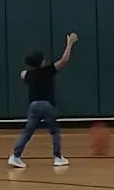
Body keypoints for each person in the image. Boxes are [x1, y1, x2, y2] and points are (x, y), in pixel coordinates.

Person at [8, 32, 78, 169]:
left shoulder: (28, 74)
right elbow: (64, 60)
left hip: (33, 106)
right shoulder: (48, 70)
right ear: (41, 61)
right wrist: (69, 44)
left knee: (27, 132)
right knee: (54, 131)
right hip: (46, 105)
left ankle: (15, 156)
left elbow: (22, 74)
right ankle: (58, 157)